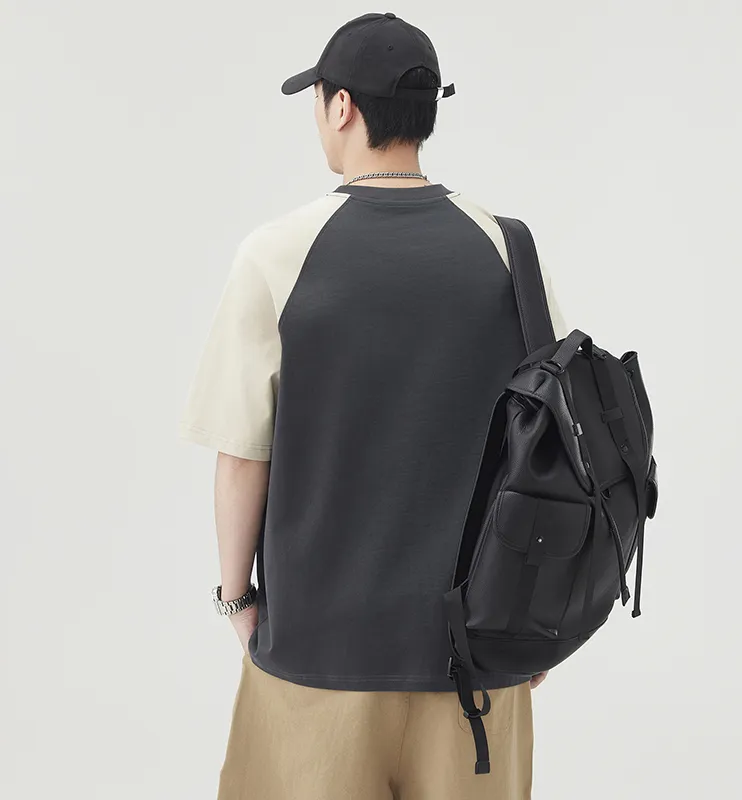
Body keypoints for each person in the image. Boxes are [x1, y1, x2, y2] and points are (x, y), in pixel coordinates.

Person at [179, 11, 566, 800]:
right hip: (477, 665)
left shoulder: (277, 254)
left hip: (316, 660)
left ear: (342, 107)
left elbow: (243, 458)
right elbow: (554, 446)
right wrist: (539, 620)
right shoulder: (510, 250)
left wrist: (238, 598)